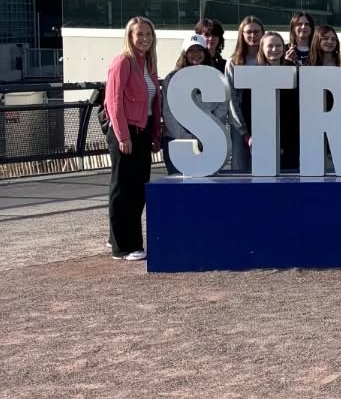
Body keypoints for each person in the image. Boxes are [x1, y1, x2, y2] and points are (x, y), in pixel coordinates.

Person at [104, 16, 164, 259]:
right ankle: (123, 247)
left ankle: (117, 236)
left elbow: (154, 102)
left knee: (139, 188)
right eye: (139, 34)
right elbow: (113, 102)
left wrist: (156, 134)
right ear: (129, 36)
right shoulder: (123, 62)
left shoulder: (148, 62)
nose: (144, 38)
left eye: (148, 34)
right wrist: (122, 136)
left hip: (143, 131)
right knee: (122, 189)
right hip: (126, 133)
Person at [162, 34, 222, 174]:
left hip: (208, 142)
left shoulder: (214, 76)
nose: (195, 54)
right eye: (191, 50)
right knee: (179, 190)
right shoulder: (171, 78)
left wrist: (208, 134)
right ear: (184, 54)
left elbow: (221, 108)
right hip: (177, 142)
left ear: (205, 53)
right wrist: (187, 137)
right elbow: (167, 112)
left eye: (199, 50)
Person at [226, 14, 265, 172]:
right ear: (241, 34)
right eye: (248, 32)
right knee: (240, 167)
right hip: (240, 124)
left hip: (265, 121)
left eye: (257, 31)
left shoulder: (269, 59)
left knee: (264, 167)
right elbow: (232, 98)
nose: (253, 35)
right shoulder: (233, 62)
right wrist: (244, 132)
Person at [258, 29, 301, 171]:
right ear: (262, 48)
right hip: (263, 140)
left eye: (278, 46)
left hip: (292, 141)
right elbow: (249, 109)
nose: (274, 49)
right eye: (270, 46)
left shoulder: (295, 72)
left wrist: (285, 142)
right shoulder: (254, 74)